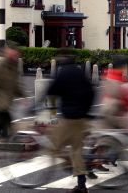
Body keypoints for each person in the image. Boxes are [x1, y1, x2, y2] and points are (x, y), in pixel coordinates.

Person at [46, 48, 94, 193]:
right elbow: (91, 92)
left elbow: (51, 92)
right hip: (81, 117)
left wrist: (47, 112)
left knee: (54, 147)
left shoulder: (63, 73)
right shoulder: (80, 72)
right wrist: (86, 110)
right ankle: (81, 185)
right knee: (77, 149)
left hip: (69, 118)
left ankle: (69, 165)